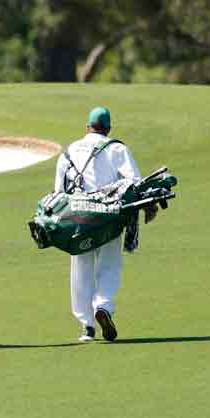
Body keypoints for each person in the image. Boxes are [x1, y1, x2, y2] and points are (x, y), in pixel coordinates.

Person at [53, 106, 142, 342]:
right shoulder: (117, 149)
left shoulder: (69, 150)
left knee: (81, 270)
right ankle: (103, 306)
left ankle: (87, 327)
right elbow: (134, 182)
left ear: (87, 127)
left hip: (77, 219)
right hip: (108, 218)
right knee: (109, 266)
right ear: (109, 128)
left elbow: (59, 192)